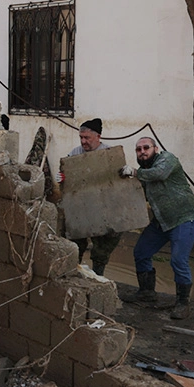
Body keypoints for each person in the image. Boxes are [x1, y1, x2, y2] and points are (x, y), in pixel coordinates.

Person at [124, 137, 194, 319]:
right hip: (161, 221)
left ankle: (182, 303)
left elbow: (160, 174)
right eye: (138, 149)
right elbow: (136, 193)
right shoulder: (143, 172)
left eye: (146, 148)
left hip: (184, 218)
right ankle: (147, 292)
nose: (142, 152)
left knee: (178, 260)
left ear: (155, 149)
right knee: (141, 252)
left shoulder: (167, 159)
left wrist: (134, 172)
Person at [61, 118, 122, 276]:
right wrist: (62, 177)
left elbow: (117, 184)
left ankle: (97, 278)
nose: (83, 141)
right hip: (81, 207)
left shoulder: (109, 154)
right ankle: (73, 273)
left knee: (101, 249)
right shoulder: (75, 153)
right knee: (75, 242)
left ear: (98, 137)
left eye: (87, 138)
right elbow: (67, 178)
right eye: (81, 137)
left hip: (103, 209)